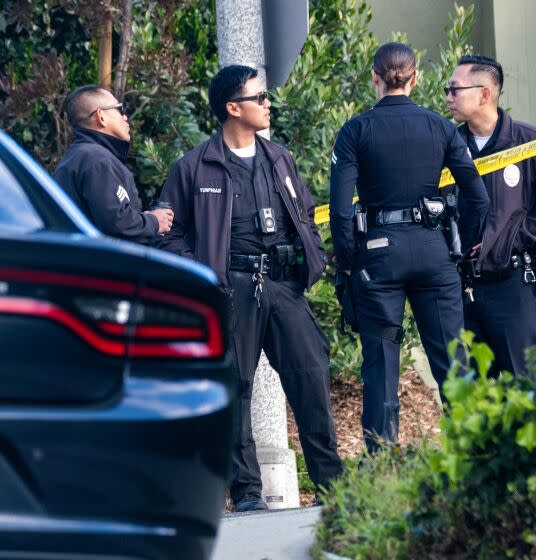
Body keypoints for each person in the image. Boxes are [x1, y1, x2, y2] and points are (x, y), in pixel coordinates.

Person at [158, 65, 343, 512]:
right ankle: (246, 494)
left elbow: (305, 214)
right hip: (230, 290)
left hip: (282, 285)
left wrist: (308, 259)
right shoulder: (194, 166)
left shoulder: (280, 158)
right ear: (232, 107)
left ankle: (335, 488)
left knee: (311, 378)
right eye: (259, 98)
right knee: (234, 389)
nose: (268, 104)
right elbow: (168, 232)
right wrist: (202, 272)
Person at [330, 42, 489, 453]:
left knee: (381, 362)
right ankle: (472, 454)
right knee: (453, 359)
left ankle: (381, 462)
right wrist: (463, 249)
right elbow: (478, 197)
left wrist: (348, 265)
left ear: (375, 78)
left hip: (379, 256)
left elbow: (340, 212)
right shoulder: (439, 127)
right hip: (433, 252)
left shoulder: (356, 130)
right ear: (415, 78)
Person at [446, 54, 536, 377]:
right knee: (470, 404)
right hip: (462, 292)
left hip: (514, 286)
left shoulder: (529, 142)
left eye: (454, 90)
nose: (448, 97)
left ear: (484, 94)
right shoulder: (448, 147)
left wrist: (509, 241)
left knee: (528, 393)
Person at [54, 85, 172, 242]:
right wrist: (154, 222)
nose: (125, 117)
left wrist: (142, 219)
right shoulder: (97, 161)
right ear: (101, 116)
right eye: (120, 109)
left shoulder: (78, 157)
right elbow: (118, 224)